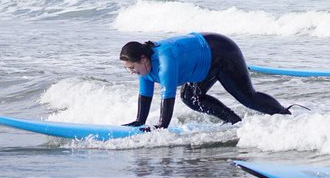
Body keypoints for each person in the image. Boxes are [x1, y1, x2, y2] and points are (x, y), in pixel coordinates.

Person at [119, 33, 291, 128]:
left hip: (221, 52)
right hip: (201, 63)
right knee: (190, 97)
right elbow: (145, 95)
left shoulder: (165, 62)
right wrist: (139, 122)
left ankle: (285, 116)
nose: (131, 72)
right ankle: (235, 123)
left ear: (143, 59)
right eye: (128, 69)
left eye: (132, 68)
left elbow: (168, 97)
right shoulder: (144, 69)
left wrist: (160, 127)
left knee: (248, 98)